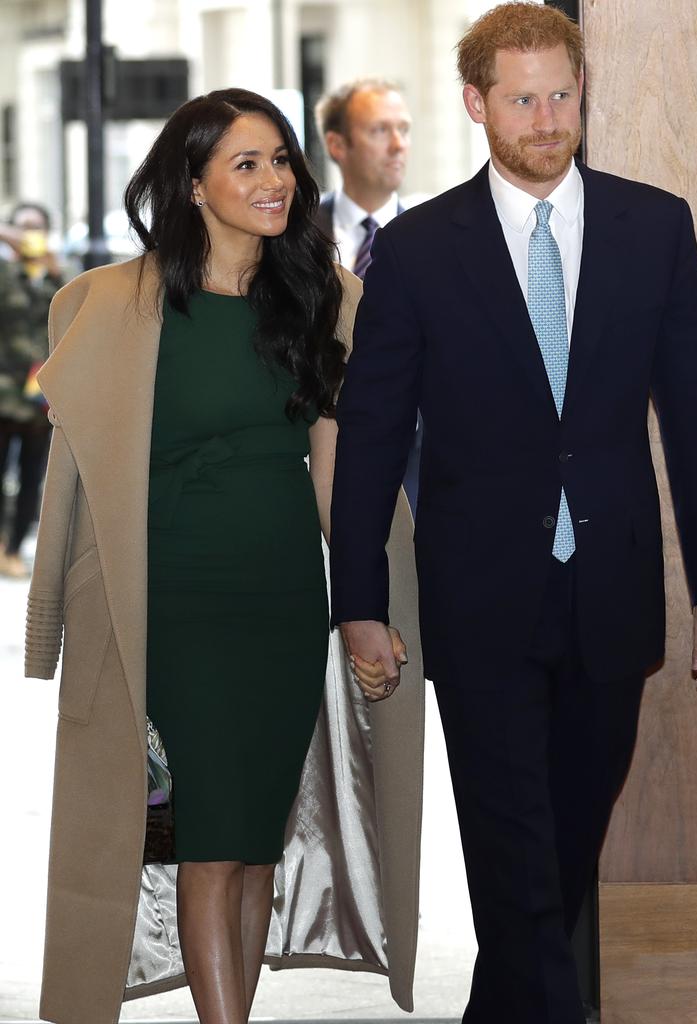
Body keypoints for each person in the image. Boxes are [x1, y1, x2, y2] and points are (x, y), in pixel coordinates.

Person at [330, 5, 697, 1023]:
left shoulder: (655, 226)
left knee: (556, 849)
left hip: (612, 595)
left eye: (562, 93)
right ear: (477, 104)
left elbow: (694, 417)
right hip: (479, 604)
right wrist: (361, 601)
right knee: (512, 844)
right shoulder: (419, 252)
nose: (549, 117)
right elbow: (372, 435)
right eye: (524, 98)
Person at [25, 88, 423, 1024]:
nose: (275, 179)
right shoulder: (114, 304)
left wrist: (366, 607)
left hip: (282, 606)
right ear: (194, 183)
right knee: (202, 843)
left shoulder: (324, 298)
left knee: (252, 848)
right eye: (246, 164)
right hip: (169, 610)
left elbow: (336, 479)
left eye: (281, 160)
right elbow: (73, 482)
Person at [314, 79, 421, 510]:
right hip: (314, 462)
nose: (398, 145)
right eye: (380, 130)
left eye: (404, 129)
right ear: (337, 144)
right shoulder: (293, 236)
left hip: (414, 471)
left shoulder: (427, 241)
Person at [0, 202, 62, 577]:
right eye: (23, 227)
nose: (29, 235)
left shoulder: (57, 272)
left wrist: (52, 267)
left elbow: (75, 305)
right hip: (4, 390)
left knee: (31, 476)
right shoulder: (6, 273)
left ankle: (13, 548)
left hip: (41, 393)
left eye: (36, 227)